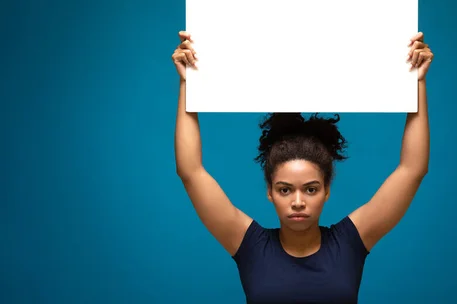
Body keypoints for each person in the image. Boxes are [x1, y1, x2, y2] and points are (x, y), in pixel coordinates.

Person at [172, 30, 434, 304]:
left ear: (326, 191)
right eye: (285, 190)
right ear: (270, 192)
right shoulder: (250, 245)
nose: (298, 202)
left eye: (310, 189)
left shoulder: (349, 242)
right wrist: (188, 83)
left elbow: (412, 170)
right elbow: (191, 172)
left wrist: (416, 82)